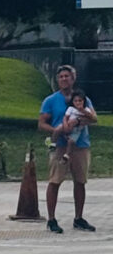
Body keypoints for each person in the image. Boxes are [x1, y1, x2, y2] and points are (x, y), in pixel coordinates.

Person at [39, 64, 97, 233]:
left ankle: (79, 217)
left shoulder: (82, 98)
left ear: (73, 78)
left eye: (67, 76)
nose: (64, 79)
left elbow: (93, 117)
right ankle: (51, 218)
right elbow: (41, 123)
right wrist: (56, 130)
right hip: (60, 146)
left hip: (81, 145)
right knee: (55, 180)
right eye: (61, 77)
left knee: (80, 181)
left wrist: (78, 122)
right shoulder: (50, 100)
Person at [62, 88, 88, 162]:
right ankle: (52, 142)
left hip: (77, 130)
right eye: (76, 101)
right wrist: (66, 125)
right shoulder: (71, 109)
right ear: (72, 102)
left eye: (80, 101)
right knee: (58, 130)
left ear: (84, 101)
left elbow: (91, 118)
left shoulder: (86, 110)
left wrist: (83, 111)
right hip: (67, 125)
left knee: (71, 142)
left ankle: (66, 155)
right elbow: (66, 117)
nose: (78, 103)